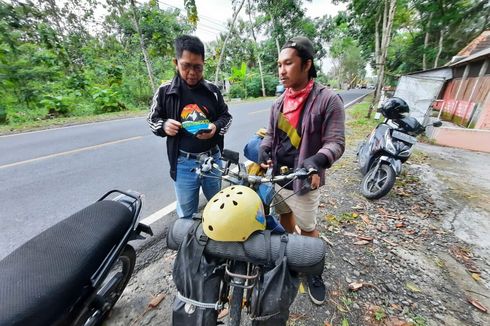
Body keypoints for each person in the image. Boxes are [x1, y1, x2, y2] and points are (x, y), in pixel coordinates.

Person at [259, 36, 345, 305]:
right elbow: (271, 135)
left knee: (307, 229)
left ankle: (312, 271)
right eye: (279, 65)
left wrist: (318, 160)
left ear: (307, 64)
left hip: (304, 180)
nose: (282, 70)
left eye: (288, 64)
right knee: (284, 219)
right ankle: (289, 255)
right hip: (278, 178)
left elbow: (336, 142)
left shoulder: (328, 99)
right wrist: (264, 147)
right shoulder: (279, 102)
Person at [148, 35, 232, 219]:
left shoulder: (212, 90)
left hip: (212, 161)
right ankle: (188, 245)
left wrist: (215, 127)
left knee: (219, 210)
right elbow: (152, 119)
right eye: (186, 66)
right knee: (186, 215)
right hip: (183, 164)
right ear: (176, 62)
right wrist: (164, 125)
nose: (192, 72)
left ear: (204, 64)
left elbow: (226, 117)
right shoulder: (165, 91)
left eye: (198, 67)